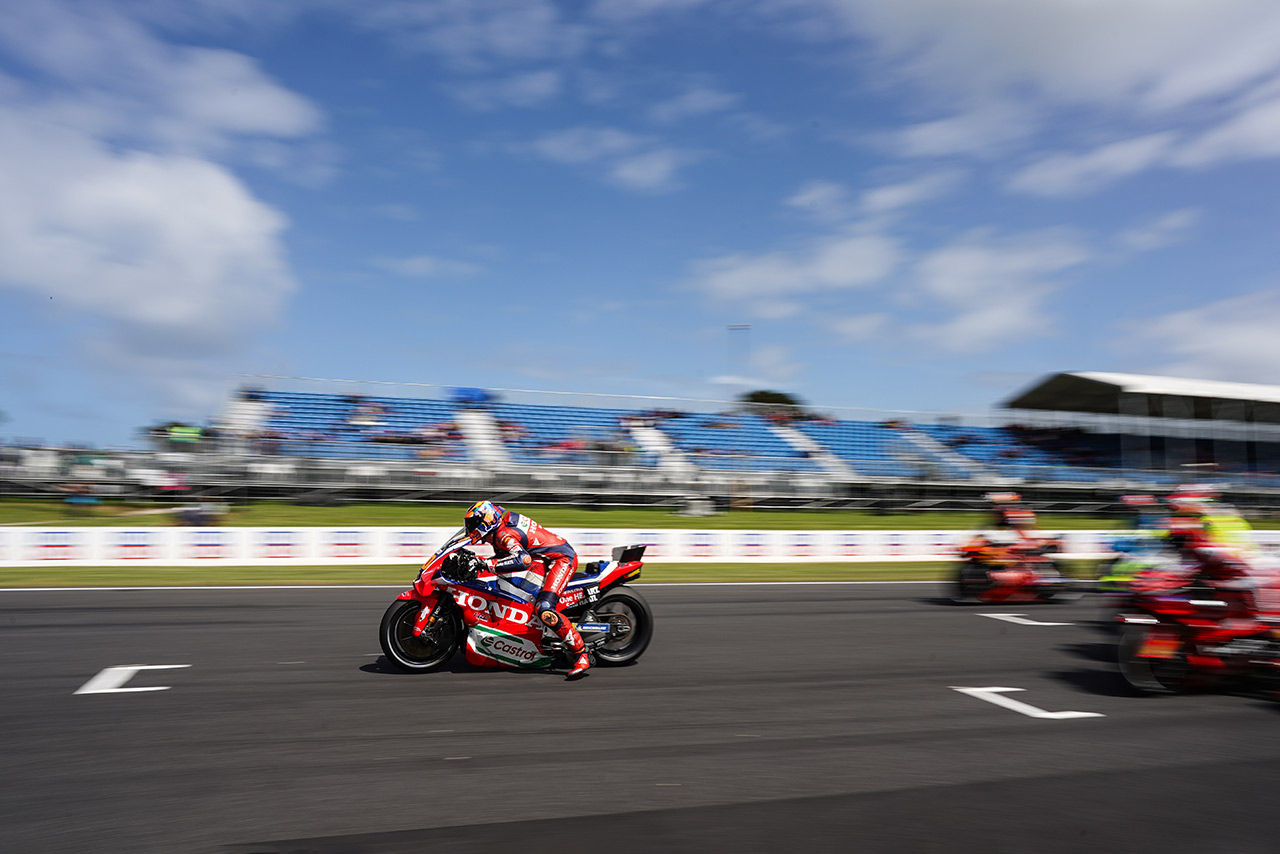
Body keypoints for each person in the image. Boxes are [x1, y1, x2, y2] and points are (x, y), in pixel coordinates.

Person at [462, 500, 591, 678]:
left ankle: (581, 654)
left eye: (473, 524)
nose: (470, 528)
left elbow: (523, 560)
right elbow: (505, 559)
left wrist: (485, 564)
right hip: (541, 559)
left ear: (486, 521)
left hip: (559, 560)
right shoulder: (499, 529)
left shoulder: (504, 535)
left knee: (544, 609)